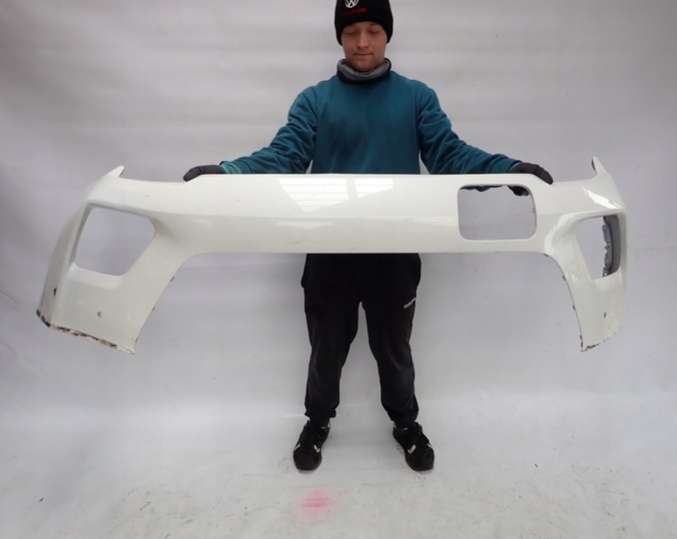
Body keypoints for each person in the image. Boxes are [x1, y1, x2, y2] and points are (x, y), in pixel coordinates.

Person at [183, 0, 554, 473]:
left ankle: (406, 425)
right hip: (330, 253)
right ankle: (317, 422)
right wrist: (229, 172)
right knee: (326, 350)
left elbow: (449, 154)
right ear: (340, 36)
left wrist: (508, 170)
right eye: (352, 31)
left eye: (373, 30)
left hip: (393, 255)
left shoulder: (416, 98)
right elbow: (284, 156)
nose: (362, 42)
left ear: (387, 35)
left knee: (394, 351)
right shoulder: (315, 100)